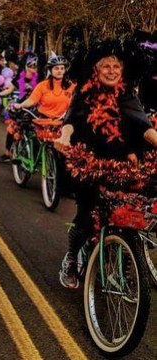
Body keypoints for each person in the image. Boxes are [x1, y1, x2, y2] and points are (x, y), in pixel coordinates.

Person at [55, 40, 157, 289]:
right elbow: (71, 121)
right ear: (96, 71)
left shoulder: (126, 94)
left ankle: (125, 255)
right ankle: (71, 258)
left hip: (122, 161)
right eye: (106, 66)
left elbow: (144, 127)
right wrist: (65, 136)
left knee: (132, 210)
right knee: (87, 216)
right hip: (90, 162)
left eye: (115, 66)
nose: (111, 70)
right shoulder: (84, 93)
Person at [0, 54, 40, 162]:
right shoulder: (19, 78)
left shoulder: (40, 78)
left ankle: (37, 156)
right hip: (21, 106)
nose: (33, 68)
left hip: (36, 106)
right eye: (30, 65)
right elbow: (9, 90)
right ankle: (8, 153)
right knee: (13, 128)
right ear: (25, 66)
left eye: (35, 66)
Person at [12, 53, 76, 118]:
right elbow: (32, 100)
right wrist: (20, 105)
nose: (59, 71)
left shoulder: (71, 86)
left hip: (63, 122)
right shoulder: (42, 85)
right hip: (42, 121)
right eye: (56, 68)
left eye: (62, 68)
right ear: (51, 70)